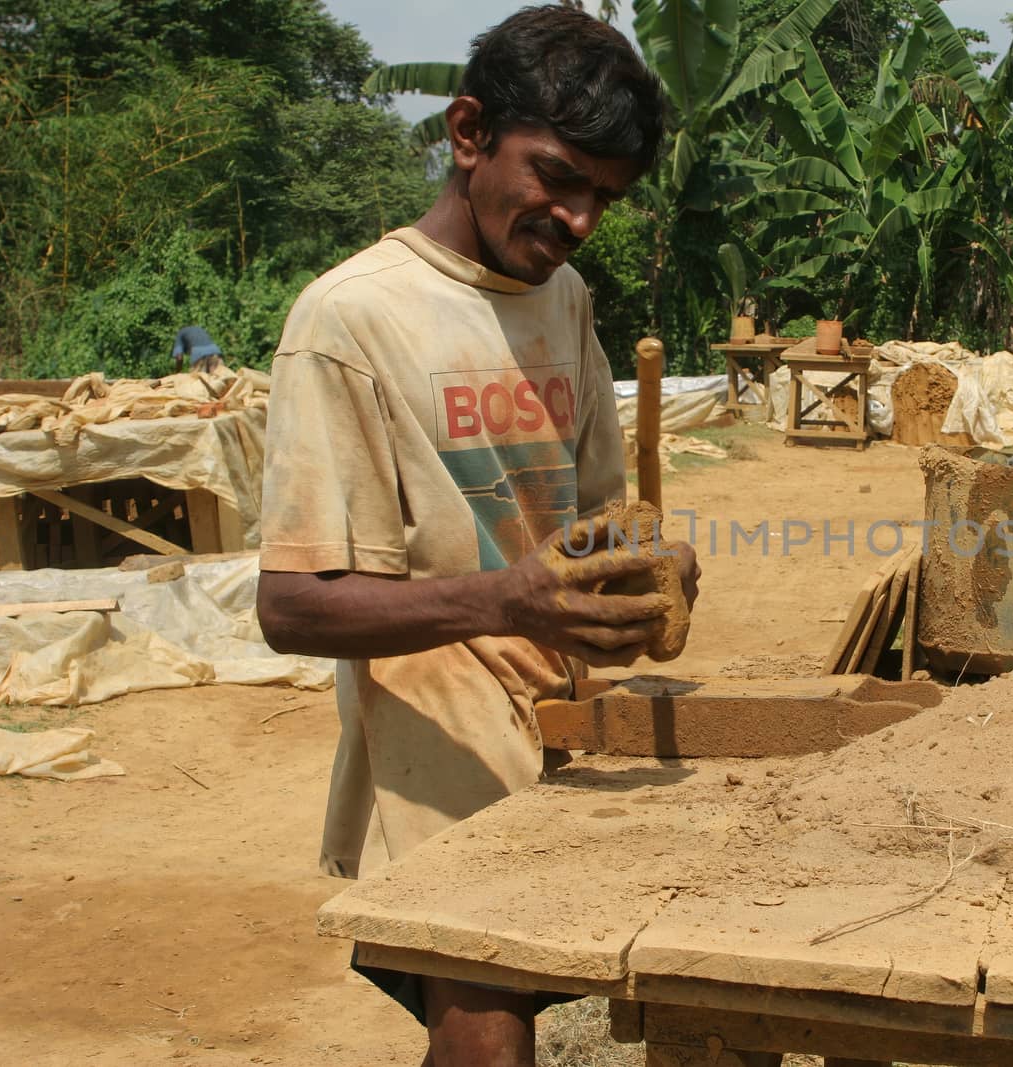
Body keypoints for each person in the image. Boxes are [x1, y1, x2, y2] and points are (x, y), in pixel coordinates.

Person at [254, 8, 694, 1065]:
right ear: (467, 132)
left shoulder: (565, 298)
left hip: (569, 700)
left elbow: (591, 527)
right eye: (555, 176)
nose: (578, 217)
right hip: (435, 710)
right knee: (489, 1032)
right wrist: (507, 599)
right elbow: (292, 604)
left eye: (603, 197)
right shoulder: (351, 319)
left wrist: (652, 569)